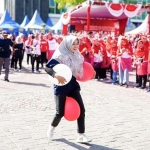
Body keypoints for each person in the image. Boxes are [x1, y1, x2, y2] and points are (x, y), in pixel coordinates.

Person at [45, 35, 95, 143]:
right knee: (60, 113)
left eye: (77, 43)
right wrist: (55, 75)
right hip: (60, 84)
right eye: (73, 43)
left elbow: (83, 67)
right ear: (68, 43)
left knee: (82, 109)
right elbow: (47, 67)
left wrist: (92, 72)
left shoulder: (77, 55)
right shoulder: (60, 55)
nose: (76, 46)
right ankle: (51, 128)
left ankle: (81, 135)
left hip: (72, 85)